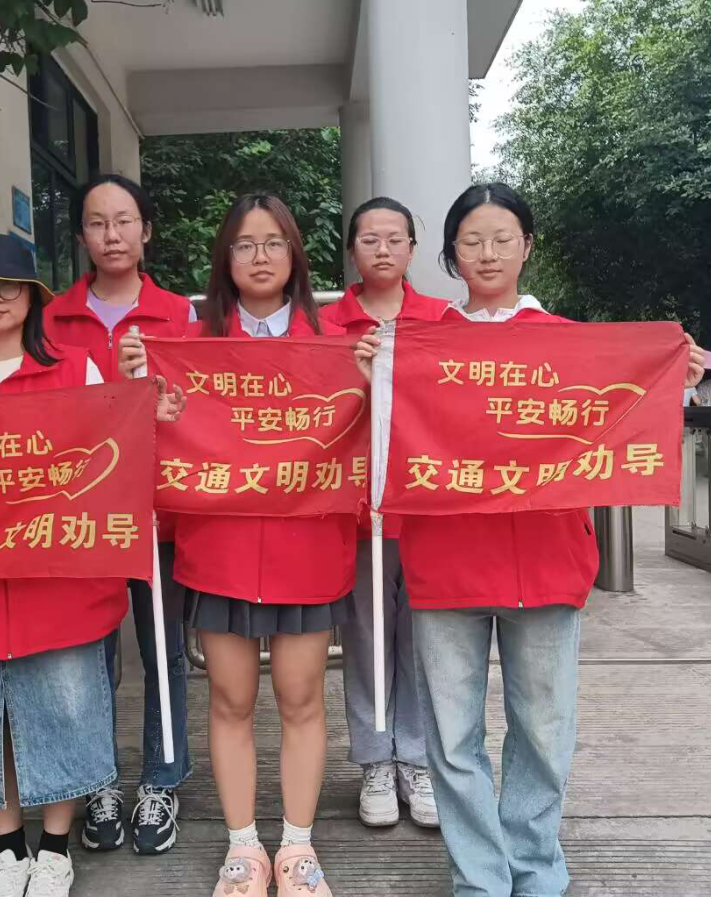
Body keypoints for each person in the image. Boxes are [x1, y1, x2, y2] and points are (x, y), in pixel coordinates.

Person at [355, 183, 704, 897]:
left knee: (544, 731)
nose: (487, 253)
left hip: (546, 562)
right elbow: (382, 450)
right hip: (446, 563)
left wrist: (678, 381)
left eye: (503, 238)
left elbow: (625, 415)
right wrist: (374, 383)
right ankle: (480, 879)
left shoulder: (572, 343)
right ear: (451, 253)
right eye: (472, 240)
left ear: (528, 247)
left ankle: (536, 869)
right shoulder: (416, 347)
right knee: (452, 738)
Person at [0, 234, 184, 897]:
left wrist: (152, 420)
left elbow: (117, 460)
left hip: (60, 585)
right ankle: (7, 849)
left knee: (63, 716)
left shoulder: (78, 371)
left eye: (8, 286)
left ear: (31, 298)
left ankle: (54, 849)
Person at [121, 192, 355, 897]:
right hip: (219, 548)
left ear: (295, 255)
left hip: (307, 548)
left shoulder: (339, 343)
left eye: (273, 242)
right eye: (245, 244)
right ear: (225, 258)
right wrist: (142, 398)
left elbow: (377, 432)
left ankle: (299, 847)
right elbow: (146, 453)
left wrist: (375, 377)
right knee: (228, 699)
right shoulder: (187, 350)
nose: (259, 257)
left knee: (301, 698)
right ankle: (244, 848)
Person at [44, 174, 196, 856]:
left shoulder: (180, 317)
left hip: (159, 514)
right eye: (98, 223)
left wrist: (160, 402)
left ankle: (161, 781)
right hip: (84, 521)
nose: (112, 235)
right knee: (88, 655)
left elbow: (201, 416)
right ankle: (98, 781)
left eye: (125, 221)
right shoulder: (51, 320)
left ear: (146, 231)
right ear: (82, 235)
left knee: (164, 651)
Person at [319, 196, 445, 829]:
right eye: (370, 239)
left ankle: (416, 759)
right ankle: (374, 759)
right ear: (352, 250)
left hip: (425, 510)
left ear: (412, 249)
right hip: (354, 510)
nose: (383, 249)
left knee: (422, 641)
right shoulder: (324, 326)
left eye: (396, 238)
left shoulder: (443, 320)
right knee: (366, 638)